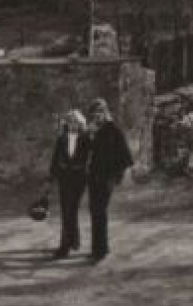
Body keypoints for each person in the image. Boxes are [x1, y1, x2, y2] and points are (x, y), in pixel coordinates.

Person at [85, 98, 134, 263]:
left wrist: (116, 175)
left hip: (106, 178)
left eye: (99, 112)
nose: (97, 116)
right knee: (94, 211)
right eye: (94, 114)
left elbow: (126, 156)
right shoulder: (94, 131)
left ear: (105, 112)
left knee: (100, 211)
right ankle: (98, 248)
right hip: (93, 177)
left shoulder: (114, 130)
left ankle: (100, 251)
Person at [47, 109, 91, 259]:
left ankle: (69, 244)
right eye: (71, 121)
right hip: (64, 180)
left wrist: (78, 167)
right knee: (67, 211)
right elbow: (55, 159)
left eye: (76, 122)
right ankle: (69, 244)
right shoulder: (62, 138)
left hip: (79, 180)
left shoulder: (86, 139)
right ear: (67, 123)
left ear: (81, 124)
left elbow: (87, 159)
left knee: (71, 210)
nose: (73, 125)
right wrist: (53, 175)